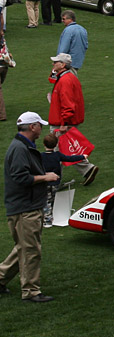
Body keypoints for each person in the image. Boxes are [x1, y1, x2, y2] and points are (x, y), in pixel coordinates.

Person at [1, 112, 60, 302]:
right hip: (25, 208)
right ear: (32, 127)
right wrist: (46, 177)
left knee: (24, 248)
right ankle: (31, 291)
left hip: (25, 205)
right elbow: (20, 178)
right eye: (39, 125)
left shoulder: (21, 146)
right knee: (31, 250)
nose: (41, 129)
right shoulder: (20, 149)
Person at [47, 53, 98, 185]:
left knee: (56, 152)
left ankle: (55, 182)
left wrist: (64, 123)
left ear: (63, 65)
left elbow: (68, 104)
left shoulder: (65, 80)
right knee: (66, 149)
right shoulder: (67, 78)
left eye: (56, 62)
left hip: (62, 122)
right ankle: (87, 169)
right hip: (64, 120)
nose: (53, 64)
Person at [40, 132, 84, 228]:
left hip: (44, 182)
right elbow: (70, 158)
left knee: (46, 200)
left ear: (44, 144)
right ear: (56, 144)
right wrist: (82, 156)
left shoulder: (40, 156)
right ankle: (53, 216)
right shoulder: (57, 155)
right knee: (52, 199)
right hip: (56, 182)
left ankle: (47, 220)